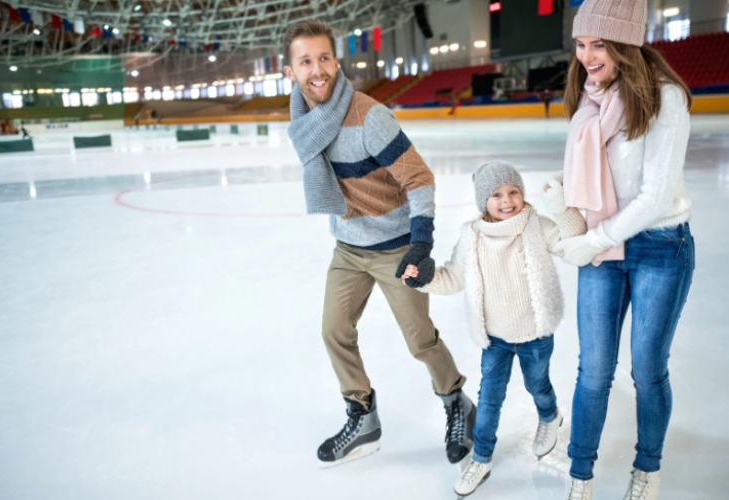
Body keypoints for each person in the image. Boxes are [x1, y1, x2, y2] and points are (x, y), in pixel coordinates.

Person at [282, 20, 475, 468]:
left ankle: (456, 404)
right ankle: (363, 416)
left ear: (336, 60)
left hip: (393, 247)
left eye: (324, 58)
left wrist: (420, 242)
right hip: (348, 248)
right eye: (305, 61)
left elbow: (419, 178)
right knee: (334, 330)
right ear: (290, 70)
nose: (317, 69)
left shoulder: (369, 117)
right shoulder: (304, 121)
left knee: (420, 341)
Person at [556, 1, 694, 498]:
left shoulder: (666, 98)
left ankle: (647, 468)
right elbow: (588, 180)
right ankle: (580, 474)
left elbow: (654, 197)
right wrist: (563, 212)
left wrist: (592, 240)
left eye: (599, 44)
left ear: (626, 44)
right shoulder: (590, 97)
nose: (587, 55)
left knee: (647, 369)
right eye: (581, 43)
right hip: (603, 249)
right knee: (593, 370)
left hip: (660, 244)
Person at [403, 161, 586, 497]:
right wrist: (423, 279)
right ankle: (482, 457)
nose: (507, 200)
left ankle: (550, 416)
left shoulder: (536, 225)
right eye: (497, 194)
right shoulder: (471, 235)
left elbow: (573, 242)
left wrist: (563, 209)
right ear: (482, 201)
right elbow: (454, 278)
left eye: (513, 191)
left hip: (535, 334)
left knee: (537, 384)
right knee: (489, 400)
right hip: (495, 339)